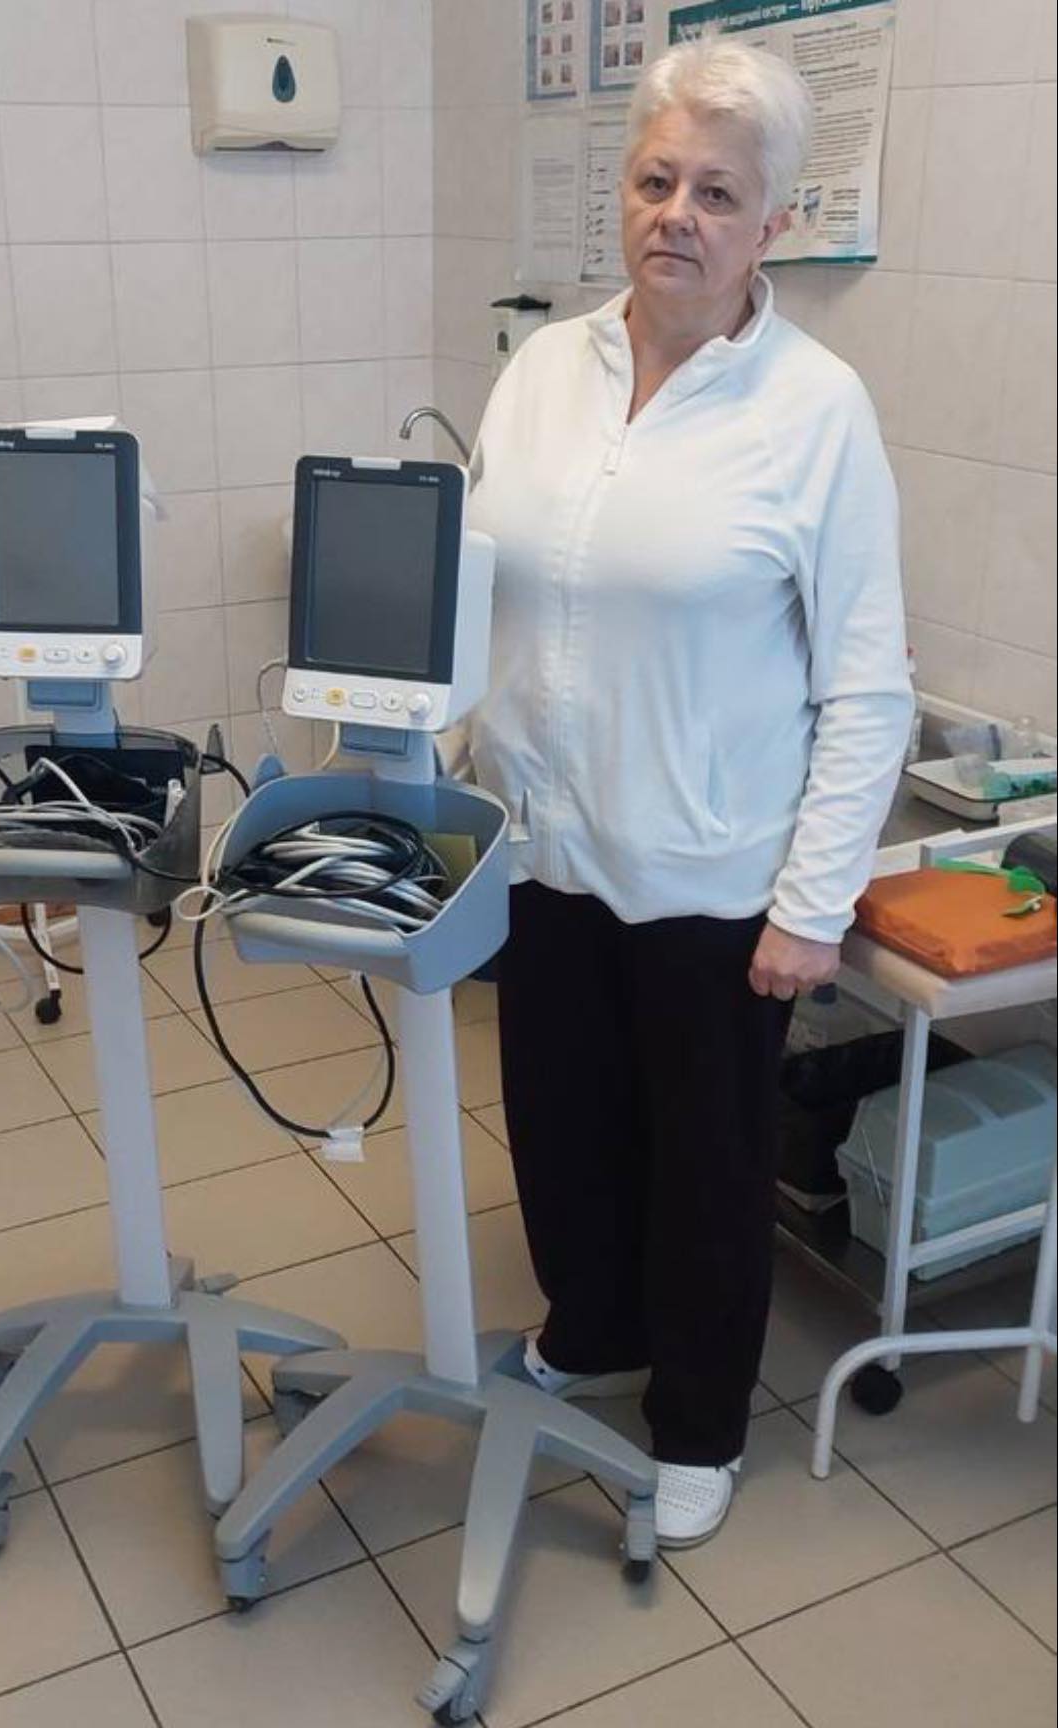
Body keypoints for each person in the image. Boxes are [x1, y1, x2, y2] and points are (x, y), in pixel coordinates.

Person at [464, 36, 913, 1548]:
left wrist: (813, 906)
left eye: (717, 193)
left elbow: (867, 687)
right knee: (563, 1127)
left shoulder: (816, 409)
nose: (678, 215)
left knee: (707, 1166)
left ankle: (702, 1420)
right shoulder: (544, 370)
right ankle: (592, 1327)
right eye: (656, 180)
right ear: (623, 190)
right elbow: (485, 596)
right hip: (540, 849)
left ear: (771, 223)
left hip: (714, 880)